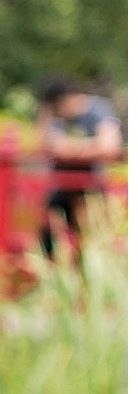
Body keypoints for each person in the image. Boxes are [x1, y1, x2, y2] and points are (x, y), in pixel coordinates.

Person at [36, 76, 124, 259]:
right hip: (60, 188)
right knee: (49, 236)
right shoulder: (55, 116)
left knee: (93, 239)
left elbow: (109, 147)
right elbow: (47, 146)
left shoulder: (99, 110)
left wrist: (72, 149)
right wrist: (89, 147)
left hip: (92, 187)